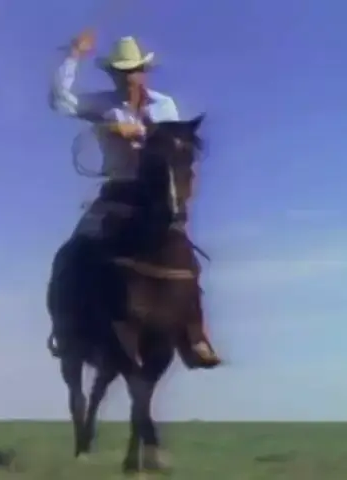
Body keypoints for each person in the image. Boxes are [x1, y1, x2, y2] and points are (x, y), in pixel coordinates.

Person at [49, 30, 220, 367]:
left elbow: (173, 144)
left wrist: (140, 132)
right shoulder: (103, 104)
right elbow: (60, 101)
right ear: (112, 75)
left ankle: (196, 335)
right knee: (76, 248)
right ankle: (65, 326)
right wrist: (73, 56)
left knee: (184, 256)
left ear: (144, 71)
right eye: (122, 72)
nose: (129, 77)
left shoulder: (164, 105)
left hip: (154, 195)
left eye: (134, 70)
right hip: (118, 189)